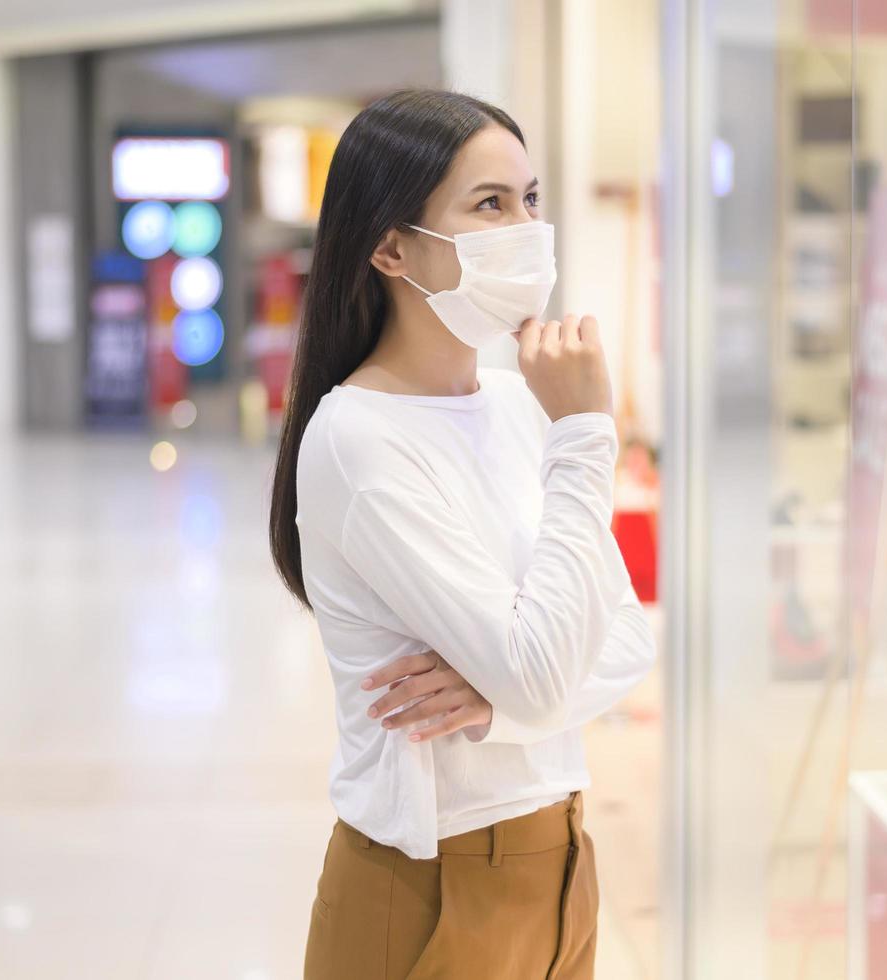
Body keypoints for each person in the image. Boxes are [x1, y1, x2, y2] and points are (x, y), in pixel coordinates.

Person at [268, 89, 657, 979]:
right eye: (488, 204)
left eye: (528, 199)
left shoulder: (522, 404)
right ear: (390, 245)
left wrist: (499, 701)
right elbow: (544, 667)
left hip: (559, 857)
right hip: (430, 884)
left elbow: (625, 637)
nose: (524, 227)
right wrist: (587, 437)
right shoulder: (359, 438)